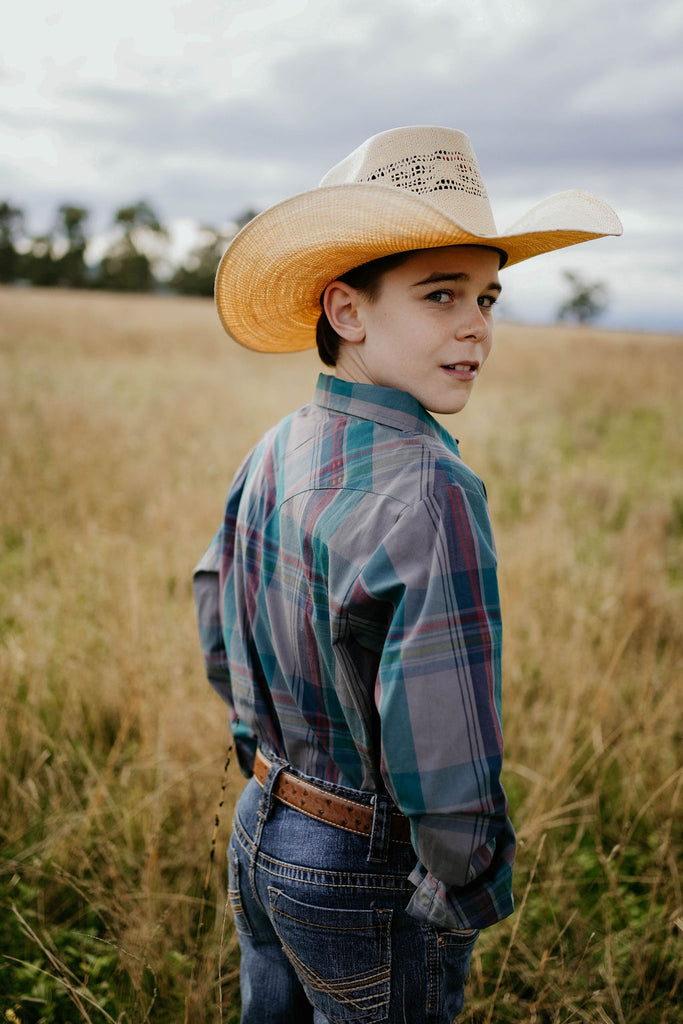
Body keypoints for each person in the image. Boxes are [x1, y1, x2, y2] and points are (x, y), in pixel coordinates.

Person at [193, 126, 621, 1022]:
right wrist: (459, 894)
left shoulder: (278, 444)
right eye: (440, 294)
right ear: (346, 312)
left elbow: (214, 609)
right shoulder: (432, 491)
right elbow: (446, 746)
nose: (476, 326)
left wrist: (264, 755)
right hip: (364, 860)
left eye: (487, 297)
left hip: (262, 821)